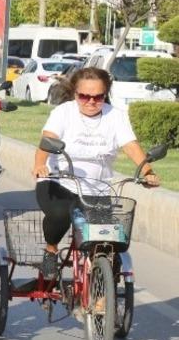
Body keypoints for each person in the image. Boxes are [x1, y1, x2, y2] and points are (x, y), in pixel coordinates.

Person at [31, 66, 160, 280]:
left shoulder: (115, 116)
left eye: (98, 97)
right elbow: (47, 139)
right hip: (58, 182)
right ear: (76, 94)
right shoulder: (63, 112)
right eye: (84, 96)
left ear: (105, 95)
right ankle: (51, 250)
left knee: (105, 241)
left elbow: (130, 145)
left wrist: (147, 171)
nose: (91, 102)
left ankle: (101, 293)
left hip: (97, 187)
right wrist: (39, 164)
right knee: (60, 215)